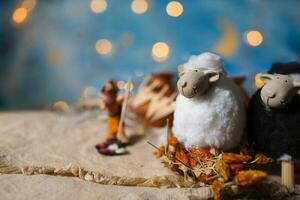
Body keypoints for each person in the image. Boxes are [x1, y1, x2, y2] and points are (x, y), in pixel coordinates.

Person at [95, 80, 129, 155]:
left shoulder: (116, 98)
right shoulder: (105, 100)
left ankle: (122, 141)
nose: (108, 89)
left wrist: (126, 95)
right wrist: (103, 104)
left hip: (117, 116)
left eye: (109, 87)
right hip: (111, 117)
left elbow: (122, 98)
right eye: (106, 87)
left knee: (120, 129)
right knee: (112, 130)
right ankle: (112, 141)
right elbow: (103, 107)